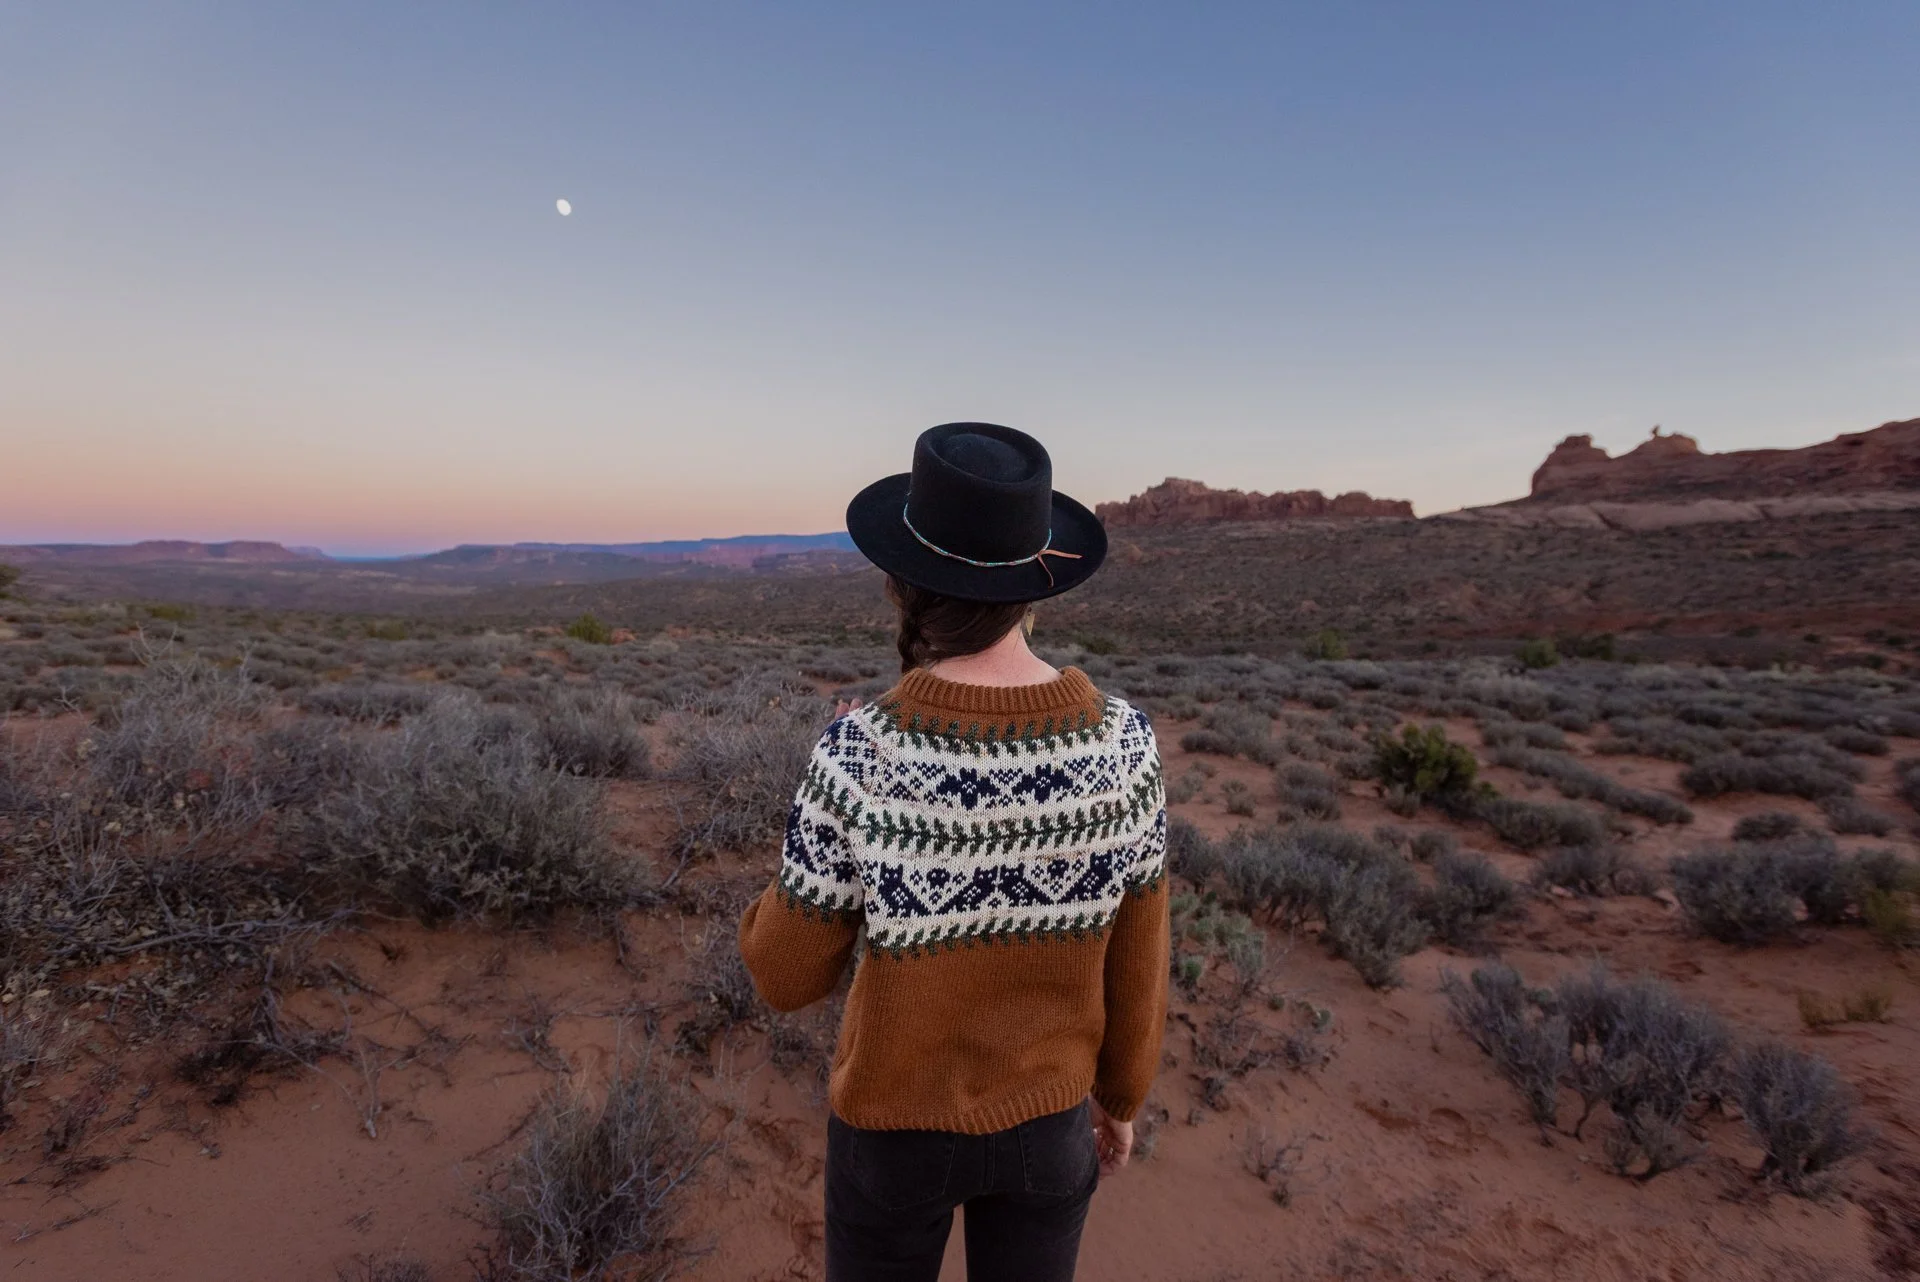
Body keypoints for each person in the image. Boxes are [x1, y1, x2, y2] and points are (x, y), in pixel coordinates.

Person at [739, 423, 1170, 1282]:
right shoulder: (1127, 743)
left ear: (901, 585)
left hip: (891, 1140)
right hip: (1049, 1128)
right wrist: (1118, 1102)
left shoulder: (858, 752)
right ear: (1033, 584)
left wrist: (815, 819)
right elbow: (1140, 951)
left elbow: (784, 977)